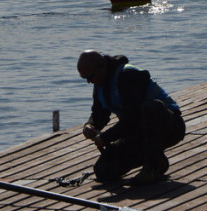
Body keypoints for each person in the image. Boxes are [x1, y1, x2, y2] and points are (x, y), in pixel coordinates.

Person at [77, 50, 185, 185]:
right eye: (85, 78)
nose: (89, 81)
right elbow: (99, 114)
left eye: (90, 76)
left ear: (102, 66)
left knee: (150, 108)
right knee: (104, 170)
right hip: (138, 132)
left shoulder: (128, 75)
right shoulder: (99, 83)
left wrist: (105, 138)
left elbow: (132, 118)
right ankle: (156, 159)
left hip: (169, 126)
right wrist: (90, 125)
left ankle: (152, 166)